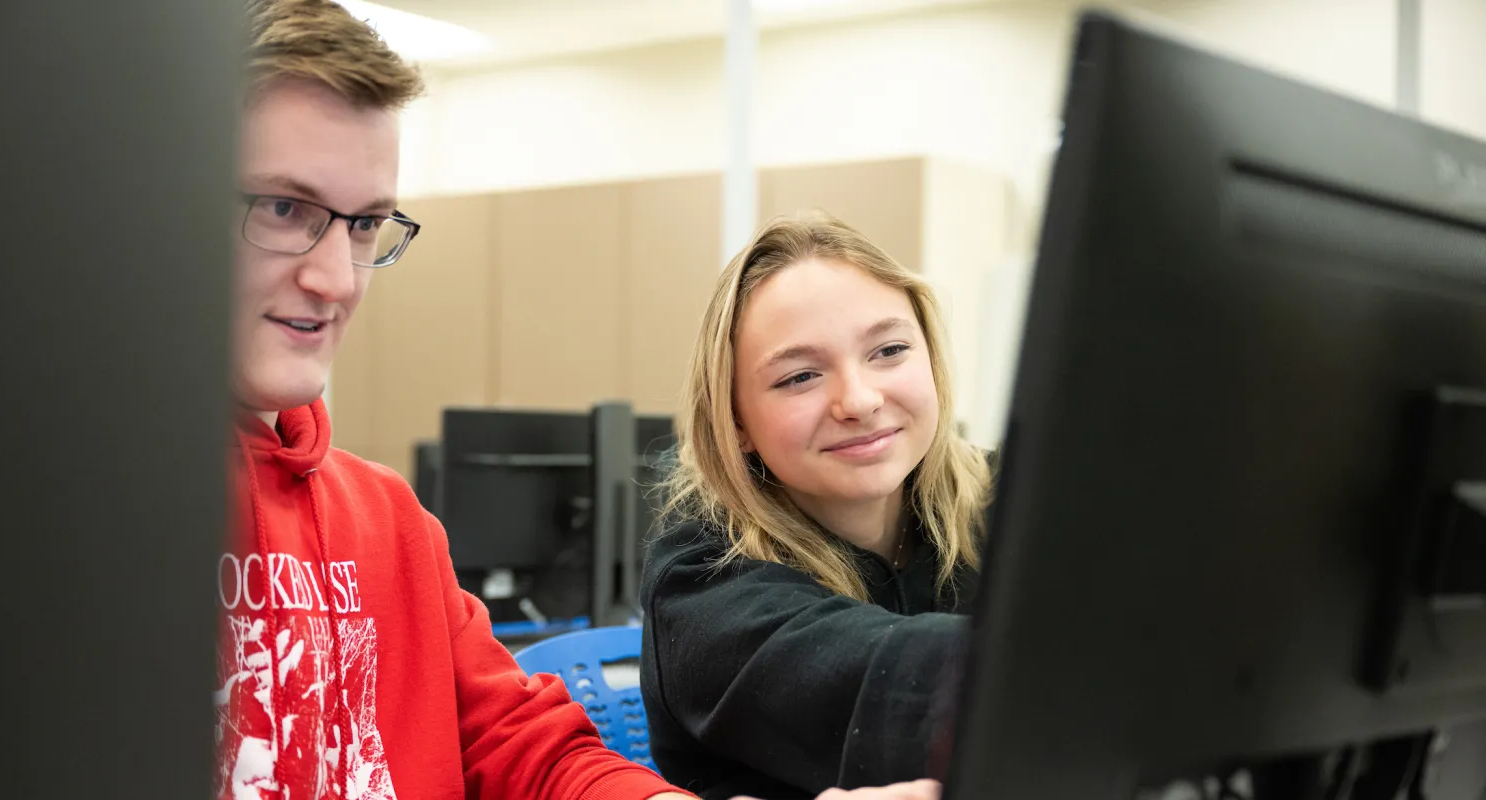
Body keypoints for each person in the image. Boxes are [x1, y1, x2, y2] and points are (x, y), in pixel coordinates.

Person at [217, 2, 940, 799]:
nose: (335, 278)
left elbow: (529, 754)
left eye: (364, 226)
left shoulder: (387, 524)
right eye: (285, 209)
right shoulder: (71, 521)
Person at [640, 212, 994, 799]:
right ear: (736, 421)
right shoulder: (702, 584)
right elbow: (889, 685)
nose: (858, 400)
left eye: (890, 349)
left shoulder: (1003, 500)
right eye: (800, 377)